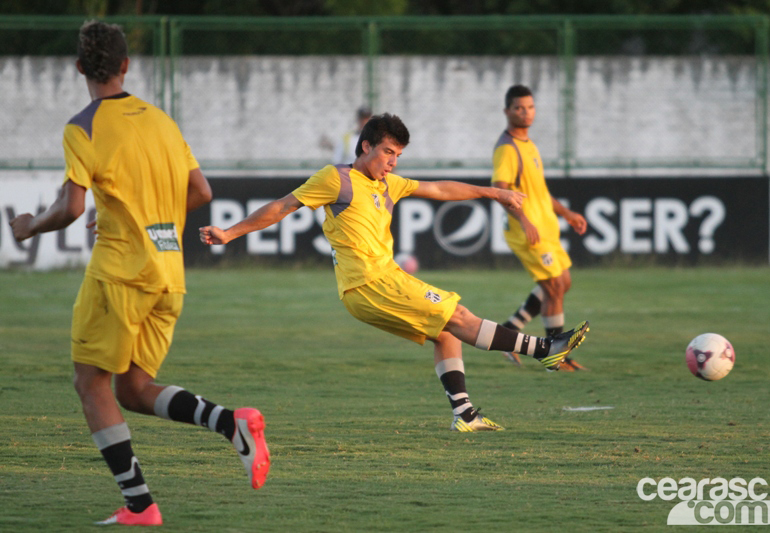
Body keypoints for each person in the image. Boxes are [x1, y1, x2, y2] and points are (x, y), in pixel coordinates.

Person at [10, 21, 269, 527]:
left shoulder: (82, 126)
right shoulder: (160, 120)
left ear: (80, 67)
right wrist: (145, 218)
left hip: (120, 272)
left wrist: (28, 227)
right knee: (132, 387)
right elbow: (202, 192)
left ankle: (140, 505)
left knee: (90, 383)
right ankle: (231, 423)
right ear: (127, 65)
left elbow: (68, 207)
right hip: (168, 272)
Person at [200, 113, 589, 433]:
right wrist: (230, 233)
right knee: (457, 316)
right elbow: (283, 207)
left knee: (446, 331)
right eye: (388, 151)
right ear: (366, 146)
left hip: (386, 279)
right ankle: (547, 350)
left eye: (398, 154)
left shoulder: (389, 184)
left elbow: (439, 190)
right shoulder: (336, 179)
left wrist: (495, 193)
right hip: (368, 284)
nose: (392, 161)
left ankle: (465, 415)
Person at [491, 85, 589, 370]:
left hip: (546, 227)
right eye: (519, 108)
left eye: (530, 107)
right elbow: (500, 189)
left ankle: (511, 329)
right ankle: (555, 356)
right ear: (507, 112)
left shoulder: (529, 145)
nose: (526, 113)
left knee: (562, 283)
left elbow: (540, 191)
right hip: (528, 231)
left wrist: (567, 213)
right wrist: (523, 220)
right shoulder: (507, 148)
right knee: (555, 286)